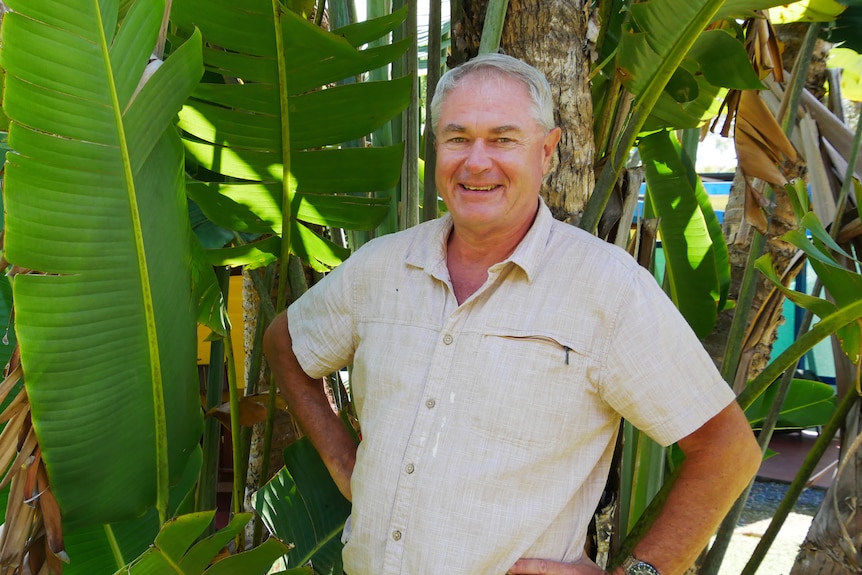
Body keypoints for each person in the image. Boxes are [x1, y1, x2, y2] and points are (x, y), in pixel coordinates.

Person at [263, 53, 761, 575]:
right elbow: (286, 343)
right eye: (458, 138)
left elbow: (727, 449)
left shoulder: (608, 288)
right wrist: (346, 464)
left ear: (547, 152)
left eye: (503, 139)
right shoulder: (379, 268)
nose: (477, 162)